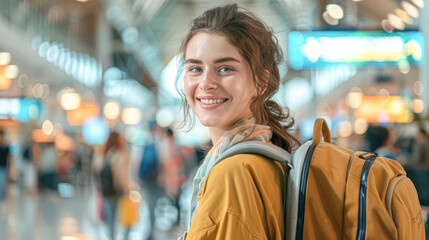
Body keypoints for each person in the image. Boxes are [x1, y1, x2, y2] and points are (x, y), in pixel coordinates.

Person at [176, 4, 299, 239]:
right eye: (195, 68)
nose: (206, 83)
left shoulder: (232, 172)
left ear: (261, 81)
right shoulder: (267, 155)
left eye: (224, 68)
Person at [95, 132, 129, 240]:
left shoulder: (103, 153)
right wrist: (126, 187)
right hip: (117, 189)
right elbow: (121, 174)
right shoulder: (120, 154)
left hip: (106, 188)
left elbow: (96, 170)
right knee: (118, 216)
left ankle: (111, 236)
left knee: (109, 216)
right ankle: (114, 236)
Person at [0, 130, 13, 210]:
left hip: (4, 168)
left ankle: (3, 200)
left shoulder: (6, 147)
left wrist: (11, 168)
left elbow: (10, 158)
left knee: (3, 184)